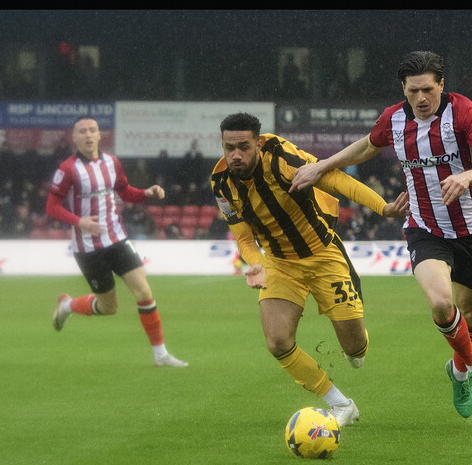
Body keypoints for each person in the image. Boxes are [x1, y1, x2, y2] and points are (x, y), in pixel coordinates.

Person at [289, 50, 472, 418]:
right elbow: (365, 147)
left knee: (470, 314)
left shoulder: (463, 111)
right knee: (441, 302)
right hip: (423, 228)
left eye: (427, 90)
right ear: (403, 90)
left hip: (471, 229)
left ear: (442, 85)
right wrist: (321, 166)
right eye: (412, 92)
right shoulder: (393, 119)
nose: (421, 99)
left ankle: (457, 368)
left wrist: (466, 175)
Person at [211, 112, 408, 428]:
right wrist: (256, 264)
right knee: (277, 341)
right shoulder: (221, 183)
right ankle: (340, 404)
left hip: (323, 255)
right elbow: (243, 236)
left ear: (258, 143)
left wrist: (383, 208)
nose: (236, 154)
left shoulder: (282, 157)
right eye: (229, 147)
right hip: (279, 263)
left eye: (243, 146)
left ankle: (354, 345)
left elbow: (335, 178)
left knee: (355, 348)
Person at [46, 115, 188, 368]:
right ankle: (67, 305)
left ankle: (161, 355)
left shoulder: (112, 162)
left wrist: (146, 193)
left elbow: (125, 192)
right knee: (108, 306)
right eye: (82, 131)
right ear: (75, 137)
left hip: (117, 238)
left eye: (92, 130)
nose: (88, 135)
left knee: (144, 291)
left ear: (100, 135)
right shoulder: (67, 169)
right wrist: (80, 222)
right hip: (88, 247)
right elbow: (52, 206)